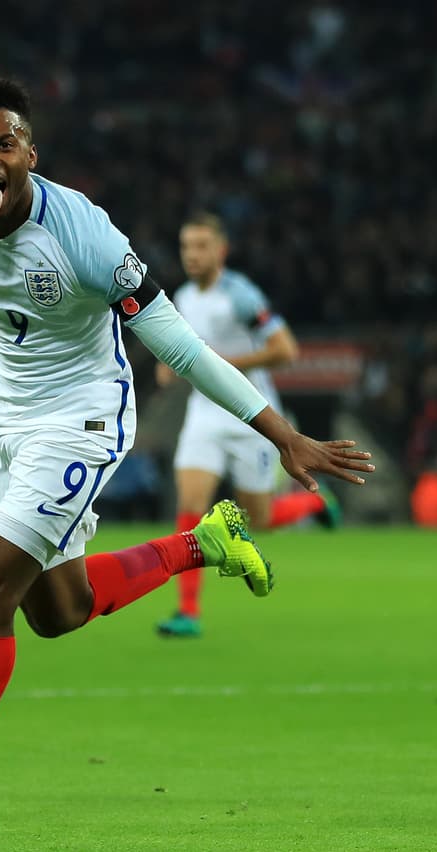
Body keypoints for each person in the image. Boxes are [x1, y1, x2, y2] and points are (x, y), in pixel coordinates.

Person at [0, 79, 373, 832]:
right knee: (58, 611)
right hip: (10, 420)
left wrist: (281, 431)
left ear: (29, 155)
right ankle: (203, 542)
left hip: (86, 416)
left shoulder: (84, 234)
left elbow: (176, 341)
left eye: (2, 144)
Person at [156, 213, 340, 639]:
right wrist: (169, 367)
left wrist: (224, 367)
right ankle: (188, 612)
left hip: (250, 416)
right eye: (186, 247)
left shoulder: (240, 296)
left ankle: (314, 503)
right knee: (190, 504)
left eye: (202, 246)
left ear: (221, 251)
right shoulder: (181, 296)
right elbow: (180, 347)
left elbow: (285, 349)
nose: (193, 255)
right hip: (204, 414)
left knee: (258, 517)